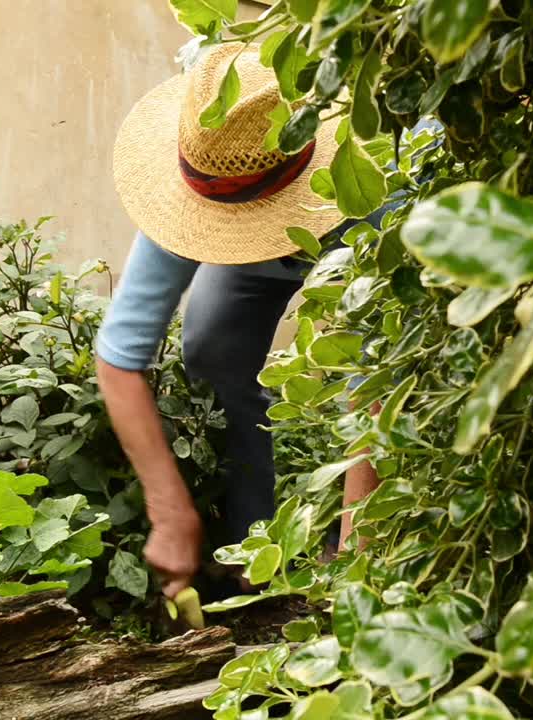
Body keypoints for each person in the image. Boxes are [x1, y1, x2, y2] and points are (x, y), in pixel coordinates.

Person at [97, 43, 392, 600]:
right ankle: (252, 540)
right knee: (211, 345)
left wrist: (357, 554)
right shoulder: (200, 166)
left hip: (345, 233)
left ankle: (344, 546)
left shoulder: (370, 179)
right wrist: (171, 516)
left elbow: (375, 377)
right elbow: (118, 359)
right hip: (256, 256)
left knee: (368, 368)